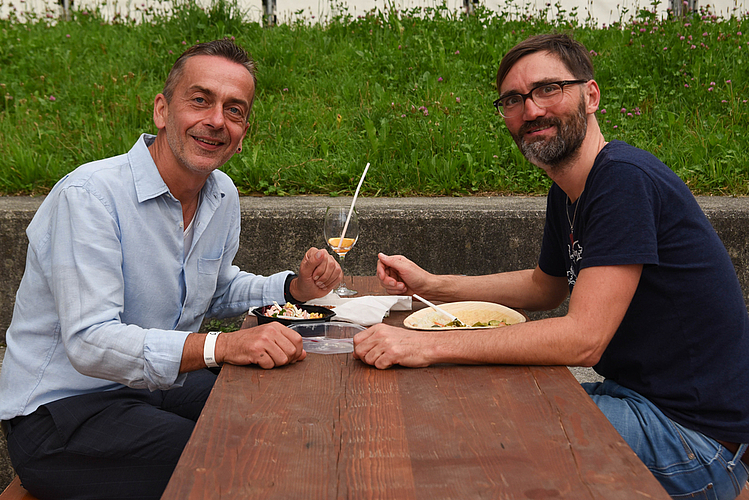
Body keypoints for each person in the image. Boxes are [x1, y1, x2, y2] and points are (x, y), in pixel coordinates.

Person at [353, 33, 749, 499]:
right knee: (488, 401)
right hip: (639, 403)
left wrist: (424, 345)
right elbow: (546, 287)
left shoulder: (622, 179)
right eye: (513, 100)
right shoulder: (567, 192)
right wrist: (433, 285)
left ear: (591, 95)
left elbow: (583, 338)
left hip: (695, 440)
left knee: (486, 435)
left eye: (548, 89)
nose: (531, 110)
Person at [0, 39, 342, 500]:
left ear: (243, 132)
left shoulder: (220, 194)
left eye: (234, 110)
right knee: (234, 454)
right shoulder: (90, 196)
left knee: (279, 406)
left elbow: (216, 290)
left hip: (146, 388)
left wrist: (294, 287)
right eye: (200, 100)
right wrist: (222, 345)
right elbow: (90, 341)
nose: (216, 120)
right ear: (162, 110)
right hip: (60, 413)